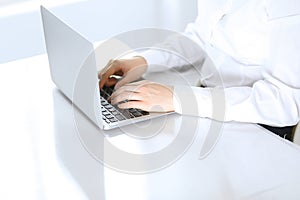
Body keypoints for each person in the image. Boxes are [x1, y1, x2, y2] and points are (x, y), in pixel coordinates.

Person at [99, 0, 300, 140]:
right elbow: (201, 37)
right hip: (204, 106)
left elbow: (284, 102)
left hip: (257, 127)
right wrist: (143, 61)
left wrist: (178, 98)